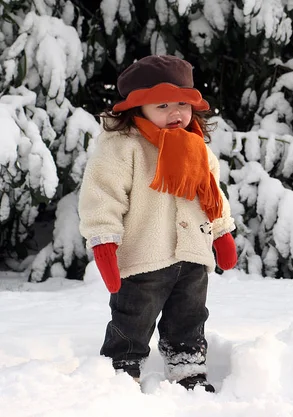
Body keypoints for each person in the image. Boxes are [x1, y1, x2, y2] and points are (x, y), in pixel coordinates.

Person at [78, 55, 237, 392]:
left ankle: (187, 366)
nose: (175, 112)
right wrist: (104, 240)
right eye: (162, 105)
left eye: (183, 103)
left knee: (189, 318)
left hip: (192, 252)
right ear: (137, 109)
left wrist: (222, 231)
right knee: (133, 317)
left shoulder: (198, 149)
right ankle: (121, 370)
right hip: (143, 255)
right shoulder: (123, 148)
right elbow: (102, 196)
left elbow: (212, 195)